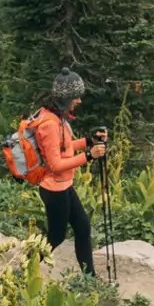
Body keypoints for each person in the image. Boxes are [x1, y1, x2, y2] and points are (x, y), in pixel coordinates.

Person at [28, 69, 106, 277]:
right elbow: (55, 164)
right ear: (65, 98)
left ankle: (90, 279)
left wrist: (89, 141)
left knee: (82, 227)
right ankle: (25, 267)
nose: (79, 101)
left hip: (63, 185)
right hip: (54, 189)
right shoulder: (50, 124)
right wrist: (89, 156)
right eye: (76, 97)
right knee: (56, 237)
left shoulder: (55, 117)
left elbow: (64, 146)